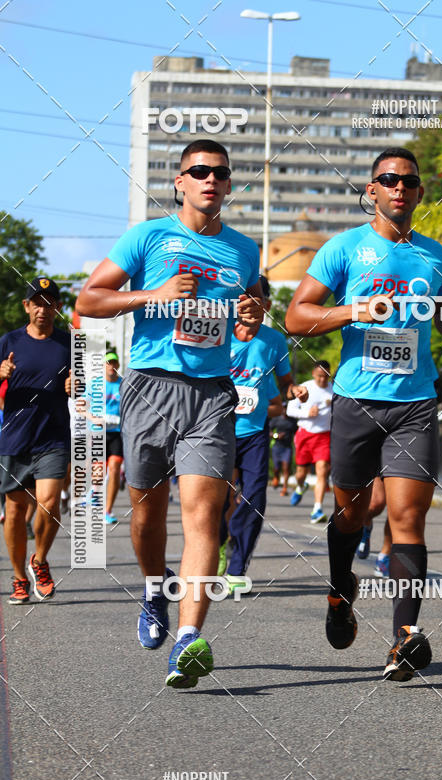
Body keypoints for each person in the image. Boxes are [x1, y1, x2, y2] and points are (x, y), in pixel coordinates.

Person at [76, 139, 264, 688]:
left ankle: (188, 640)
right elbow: (89, 301)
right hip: (150, 388)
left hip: (211, 393)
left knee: (204, 514)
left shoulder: (243, 250)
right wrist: (153, 294)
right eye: (198, 171)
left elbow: (249, 309)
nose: (210, 180)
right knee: (146, 514)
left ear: (229, 186)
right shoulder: (149, 237)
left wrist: (252, 310)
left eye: (220, 173)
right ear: (179, 182)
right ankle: (154, 587)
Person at [285, 147, 442, 680]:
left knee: (408, 516)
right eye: (388, 180)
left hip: (414, 403)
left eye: (408, 182)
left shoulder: (436, 257)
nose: (399, 189)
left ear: (418, 193)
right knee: (353, 514)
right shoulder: (344, 249)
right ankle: (341, 587)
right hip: (356, 400)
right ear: (371, 190)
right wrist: (353, 310)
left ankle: (403, 637)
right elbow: (298, 317)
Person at [221, 277, 307, 589]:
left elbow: (284, 383)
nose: (250, 305)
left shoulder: (274, 342)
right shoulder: (219, 333)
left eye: (257, 300)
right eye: (244, 299)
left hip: (255, 431)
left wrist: (293, 389)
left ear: (266, 306)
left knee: (254, 497)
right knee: (217, 497)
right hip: (216, 430)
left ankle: (237, 568)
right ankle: (218, 543)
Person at [0, 277, 71, 604]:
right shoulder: (8, 341)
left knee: (50, 502)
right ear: (26, 306)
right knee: (14, 512)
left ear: (58, 306)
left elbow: (85, 387)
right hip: (14, 437)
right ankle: (18, 578)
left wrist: (76, 385)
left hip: (53, 435)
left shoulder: (69, 342)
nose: (43, 309)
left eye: (49, 302)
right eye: (36, 302)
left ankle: (39, 560)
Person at [286, 360, 333, 523]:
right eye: (319, 376)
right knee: (301, 473)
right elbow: (289, 410)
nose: (322, 379)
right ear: (313, 374)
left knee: (322, 470)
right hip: (305, 435)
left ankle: (317, 509)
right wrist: (307, 413)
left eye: (326, 376)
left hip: (324, 437)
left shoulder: (334, 391)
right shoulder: (305, 388)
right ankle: (300, 486)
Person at [103, 352, 124, 524]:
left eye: (114, 363)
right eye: (108, 363)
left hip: (117, 432)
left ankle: (107, 510)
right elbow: (81, 405)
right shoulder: (96, 385)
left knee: (115, 468)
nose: (111, 366)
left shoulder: (123, 385)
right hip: (97, 433)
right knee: (97, 473)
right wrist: (94, 417)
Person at [270, 409, 296, 495]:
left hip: (287, 447)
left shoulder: (292, 421)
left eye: (287, 409)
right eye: (283, 408)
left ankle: (285, 488)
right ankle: (276, 477)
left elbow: (296, 432)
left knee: (286, 467)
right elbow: (268, 430)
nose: (285, 410)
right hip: (277, 446)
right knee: (276, 468)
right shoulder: (276, 419)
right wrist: (275, 435)